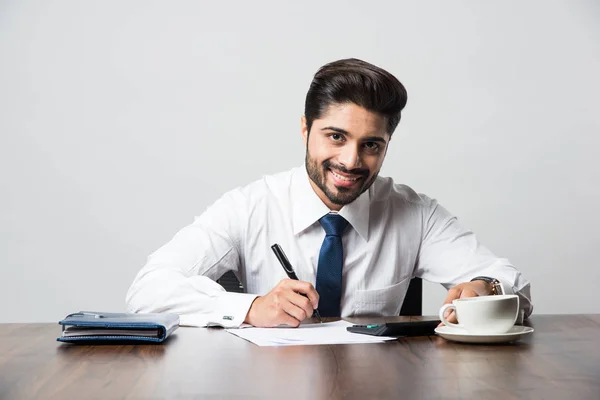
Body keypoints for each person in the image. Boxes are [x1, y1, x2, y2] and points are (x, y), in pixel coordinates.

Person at [126, 58, 532, 328]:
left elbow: (512, 283)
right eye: (335, 136)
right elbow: (148, 290)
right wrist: (250, 308)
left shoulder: (416, 214)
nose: (351, 161)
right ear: (305, 129)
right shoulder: (249, 207)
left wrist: (485, 288)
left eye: (371, 144)